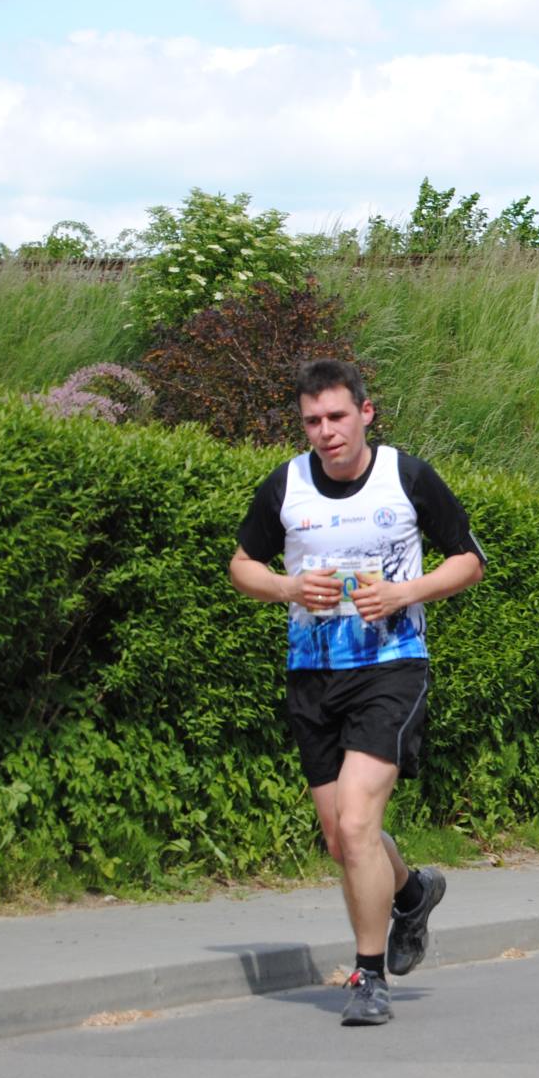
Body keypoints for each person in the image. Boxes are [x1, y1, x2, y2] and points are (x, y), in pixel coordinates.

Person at [230, 359, 487, 1026]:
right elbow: (242, 565)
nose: (327, 431)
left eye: (338, 416)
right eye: (313, 421)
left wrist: (404, 593)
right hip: (312, 674)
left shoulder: (406, 477)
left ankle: (368, 977)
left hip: (390, 668)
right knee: (342, 842)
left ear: (366, 413)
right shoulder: (286, 484)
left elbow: (470, 560)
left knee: (356, 822)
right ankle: (412, 893)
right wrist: (287, 587)